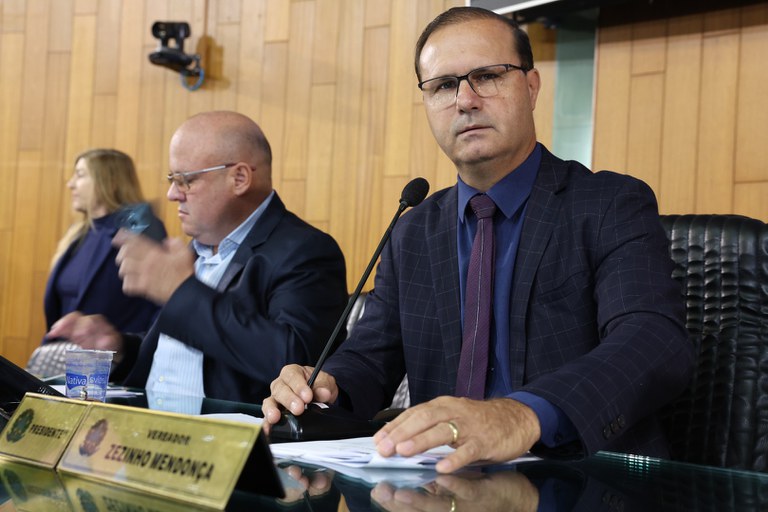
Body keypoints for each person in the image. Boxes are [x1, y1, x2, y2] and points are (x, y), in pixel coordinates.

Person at [263, 7, 693, 473]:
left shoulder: (608, 203)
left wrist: (522, 414)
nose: (465, 100)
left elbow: (652, 340)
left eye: (487, 76)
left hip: (584, 477)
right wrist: (325, 385)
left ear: (531, 87)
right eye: (444, 85)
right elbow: (370, 360)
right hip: (440, 482)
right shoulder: (413, 230)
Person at [48, 111, 348, 404]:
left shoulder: (305, 250)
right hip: (149, 424)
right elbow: (174, 359)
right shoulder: (192, 250)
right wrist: (120, 347)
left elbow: (298, 365)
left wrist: (182, 293)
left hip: (228, 431)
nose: (172, 194)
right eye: (172, 179)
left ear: (239, 178)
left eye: (185, 180)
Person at [43, 149, 165, 344]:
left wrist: (133, 350)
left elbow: (161, 304)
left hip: (111, 358)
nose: (70, 184)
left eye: (80, 175)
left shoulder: (141, 227)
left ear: (109, 181)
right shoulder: (78, 233)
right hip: (67, 355)